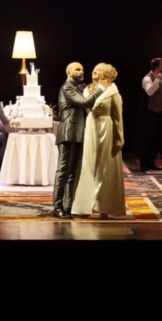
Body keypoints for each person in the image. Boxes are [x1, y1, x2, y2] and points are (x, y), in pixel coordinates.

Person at [71, 63, 125, 219]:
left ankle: (104, 207)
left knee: (104, 166)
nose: (95, 71)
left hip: (106, 128)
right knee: (88, 164)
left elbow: (118, 117)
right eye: (94, 69)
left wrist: (119, 137)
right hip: (91, 128)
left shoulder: (113, 92)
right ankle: (84, 206)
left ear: (107, 73)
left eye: (99, 70)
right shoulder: (88, 89)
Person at [52, 62, 102, 219]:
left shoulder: (78, 88)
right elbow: (84, 102)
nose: (81, 72)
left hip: (78, 133)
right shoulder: (67, 87)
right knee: (63, 171)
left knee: (72, 172)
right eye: (77, 69)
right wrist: (100, 88)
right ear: (69, 73)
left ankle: (68, 206)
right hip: (68, 133)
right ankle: (57, 207)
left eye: (82, 70)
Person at [134, 57, 162, 172]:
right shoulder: (147, 78)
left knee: (155, 138)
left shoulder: (159, 77)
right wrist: (157, 81)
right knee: (146, 137)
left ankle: (151, 161)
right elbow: (149, 92)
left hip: (157, 112)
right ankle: (144, 163)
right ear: (157, 66)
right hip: (148, 112)